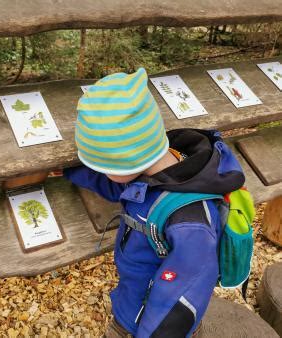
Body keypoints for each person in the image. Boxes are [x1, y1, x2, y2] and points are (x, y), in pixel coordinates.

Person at [63, 68, 245, 337]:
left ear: (129, 160)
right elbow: (119, 185)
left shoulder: (190, 223)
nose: (101, 172)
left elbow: (183, 294)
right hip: (133, 302)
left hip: (153, 323)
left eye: (103, 165)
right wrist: (70, 171)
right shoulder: (162, 166)